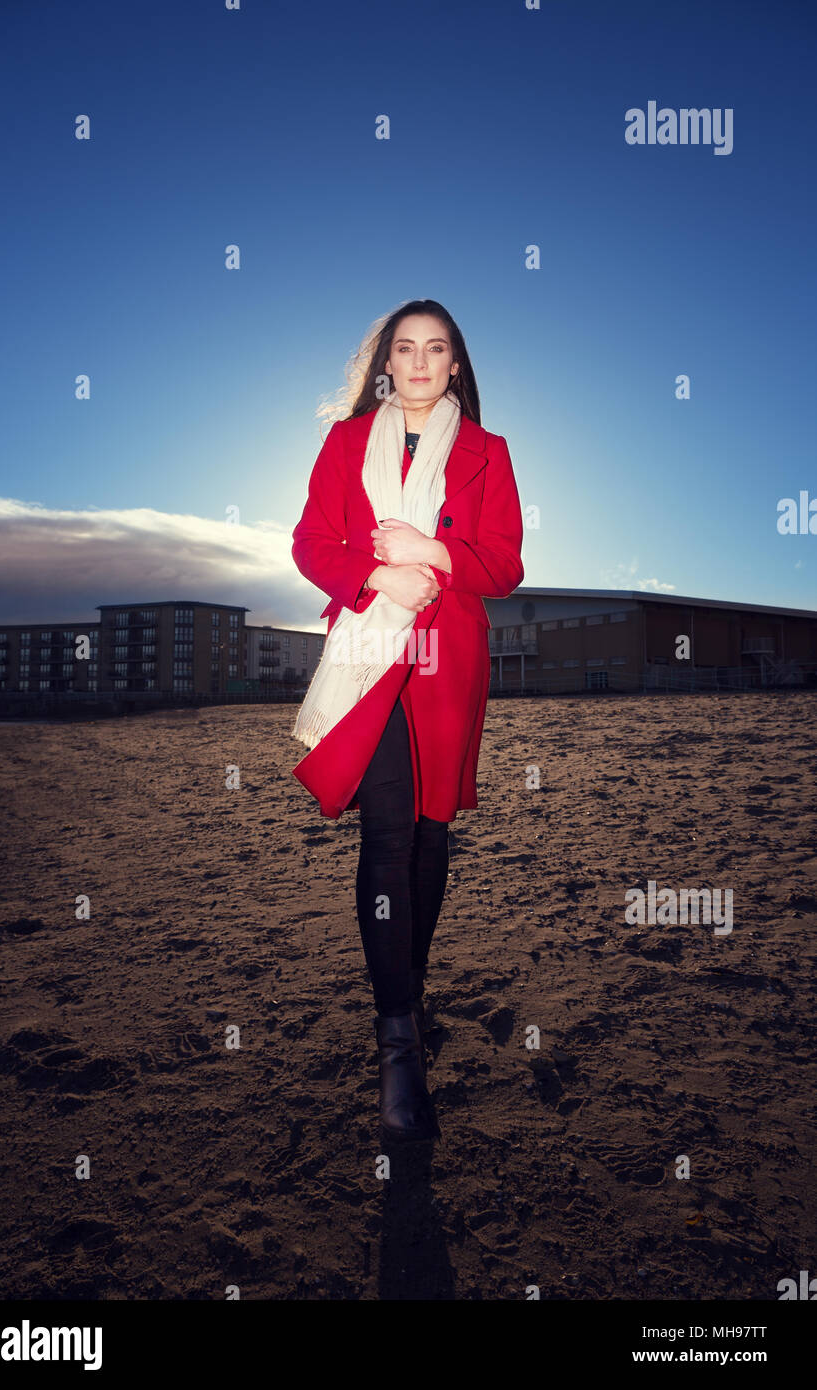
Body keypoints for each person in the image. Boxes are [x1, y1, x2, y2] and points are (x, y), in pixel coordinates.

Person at [290, 298, 524, 1141]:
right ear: (384, 362)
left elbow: (505, 563)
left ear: (456, 363)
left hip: (447, 658)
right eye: (405, 348)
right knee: (387, 832)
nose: (420, 362)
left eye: (437, 349)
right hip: (367, 649)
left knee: (430, 833)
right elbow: (311, 541)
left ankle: (412, 986)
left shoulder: (488, 452)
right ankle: (397, 1041)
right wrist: (373, 579)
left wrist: (430, 555)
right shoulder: (347, 442)